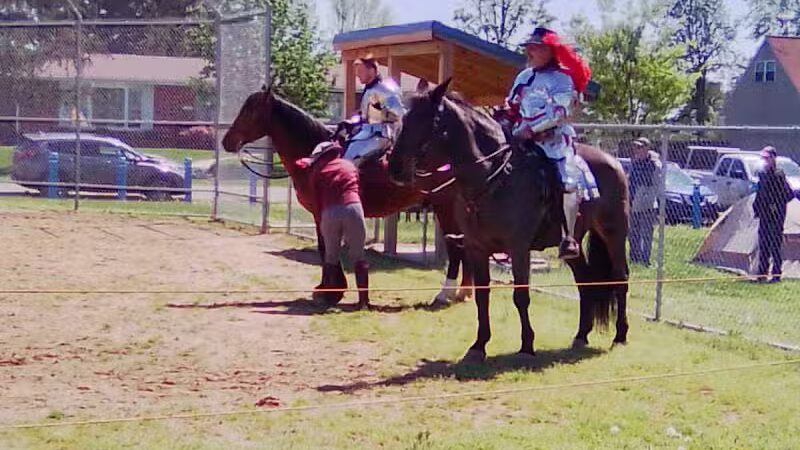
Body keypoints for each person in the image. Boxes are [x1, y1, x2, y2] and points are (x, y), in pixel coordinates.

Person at [504, 26, 599, 260]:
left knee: (565, 178)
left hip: (554, 141)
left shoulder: (563, 79)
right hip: (520, 138)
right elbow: (513, 103)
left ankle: (568, 237)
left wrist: (532, 129)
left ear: (549, 51)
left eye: (535, 48)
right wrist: (505, 115)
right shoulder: (524, 76)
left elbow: (559, 111)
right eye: (528, 48)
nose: (530, 53)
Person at [297, 141, 370, 307]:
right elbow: (359, 189)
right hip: (353, 208)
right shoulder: (349, 166)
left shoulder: (318, 170)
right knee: (358, 255)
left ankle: (328, 298)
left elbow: (316, 199)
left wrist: (319, 218)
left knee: (331, 256)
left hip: (330, 211)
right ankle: (364, 301)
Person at [339, 54, 405, 167]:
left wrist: (379, 114)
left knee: (347, 162)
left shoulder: (385, 90)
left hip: (379, 136)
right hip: (366, 133)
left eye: (360, 70)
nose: (357, 74)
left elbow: (400, 114)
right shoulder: (370, 89)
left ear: (372, 70)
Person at [753, 146, 794, 283]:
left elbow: (788, 195)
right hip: (764, 215)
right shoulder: (762, 175)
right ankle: (762, 273)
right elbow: (760, 194)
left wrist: (776, 206)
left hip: (776, 216)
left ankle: (776, 274)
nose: (764, 161)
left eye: (767, 158)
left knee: (775, 245)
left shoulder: (779, 175)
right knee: (763, 244)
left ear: (773, 159)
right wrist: (757, 208)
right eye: (763, 158)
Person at [628, 137, 662, 266]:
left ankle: (644, 260)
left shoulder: (654, 164)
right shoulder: (635, 162)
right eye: (635, 147)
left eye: (640, 147)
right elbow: (631, 181)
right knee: (633, 232)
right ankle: (634, 258)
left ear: (647, 148)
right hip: (633, 201)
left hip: (647, 203)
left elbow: (653, 185)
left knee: (646, 233)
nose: (636, 150)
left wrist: (644, 200)